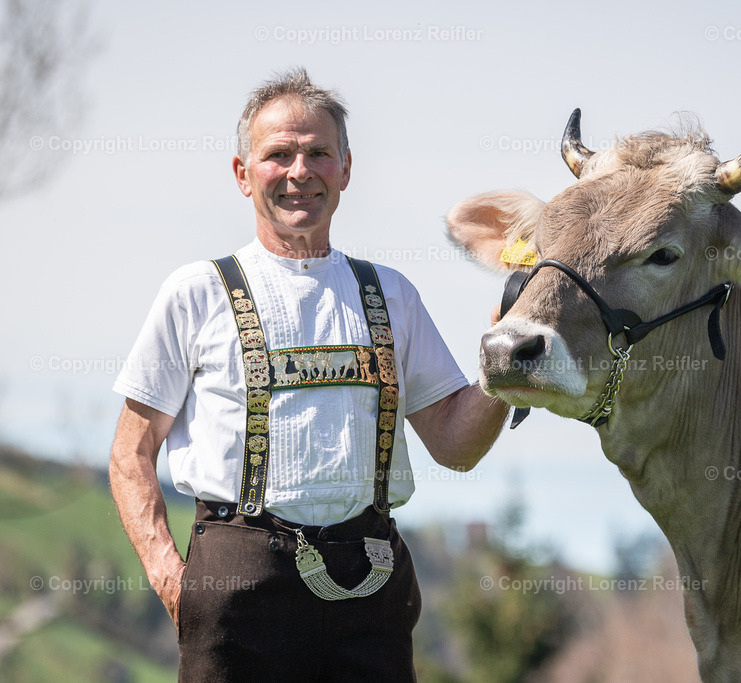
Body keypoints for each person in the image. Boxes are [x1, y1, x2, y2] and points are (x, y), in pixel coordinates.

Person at [109, 68, 509, 681]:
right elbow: (131, 454)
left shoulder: (390, 295)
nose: (300, 171)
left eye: (318, 153)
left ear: (345, 169)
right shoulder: (197, 293)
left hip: (368, 583)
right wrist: (170, 573)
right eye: (278, 155)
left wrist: (502, 363)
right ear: (243, 175)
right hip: (235, 581)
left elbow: (455, 445)